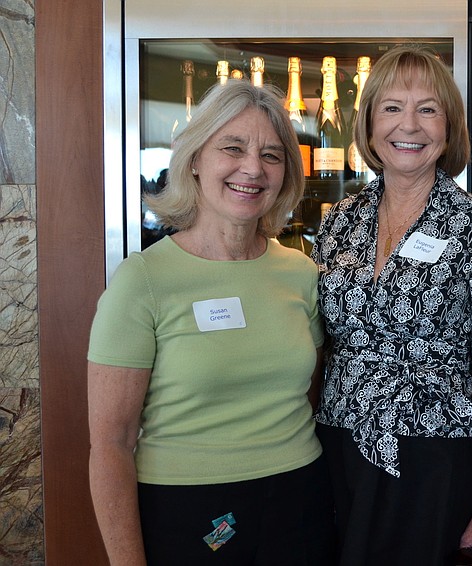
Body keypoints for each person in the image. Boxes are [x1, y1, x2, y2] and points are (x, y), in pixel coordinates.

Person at [87, 80, 335, 565]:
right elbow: (111, 445)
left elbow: (310, 392)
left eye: (271, 155)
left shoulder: (301, 274)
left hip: (301, 500)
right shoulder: (144, 281)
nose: (252, 168)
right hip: (187, 511)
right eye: (233, 147)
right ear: (195, 158)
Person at [311, 44, 472, 566]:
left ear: (448, 127)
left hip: (434, 455)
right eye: (393, 108)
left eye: (428, 109)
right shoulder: (340, 221)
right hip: (338, 445)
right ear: (370, 123)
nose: (411, 125)